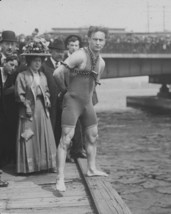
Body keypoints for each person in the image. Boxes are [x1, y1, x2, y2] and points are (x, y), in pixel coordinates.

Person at [53, 26, 109, 192]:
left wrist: (89, 103)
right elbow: (57, 73)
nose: (98, 42)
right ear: (89, 39)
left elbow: (93, 86)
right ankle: (60, 178)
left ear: (104, 42)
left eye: (101, 40)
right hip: (72, 102)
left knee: (93, 136)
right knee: (66, 139)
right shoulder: (80, 54)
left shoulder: (102, 63)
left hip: (86, 104)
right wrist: (65, 91)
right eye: (95, 39)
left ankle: (91, 169)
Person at [15, 39, 57, 174]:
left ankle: (45, 165)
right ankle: (28, 167)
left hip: (42, 108)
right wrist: (26, 105)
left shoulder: (43, 75)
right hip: (28, 109)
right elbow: (18, 94)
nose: (38, 63)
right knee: (28, 135)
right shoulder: (22, 76)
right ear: (29, 61)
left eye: (40, 60)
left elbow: (47, 91)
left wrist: (47, 98)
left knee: (44, 134)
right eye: (35, 61)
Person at [64, 35, 87, 161]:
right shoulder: (63, 59)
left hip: (80, 96)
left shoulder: (82, 60)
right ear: (67, 46)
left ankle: (78, 149)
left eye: (76, 45)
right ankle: (70, 151)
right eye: (71, 45)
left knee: (81, 123)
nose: (73, 48)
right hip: (67, 96)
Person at [0, 30, 18, 186]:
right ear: (1, 45)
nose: (10, 47)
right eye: (7, 44)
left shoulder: (19, 63)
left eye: (12, 44)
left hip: (9, 110)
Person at [42, 38, 65, 147]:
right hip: (49, 104)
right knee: (50, 126)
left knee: (61, 128)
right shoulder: (44, 66)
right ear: (51, 51)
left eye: (62, 51)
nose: (61, 54)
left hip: (62, 104)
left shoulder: (65, 66)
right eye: (58, 51)